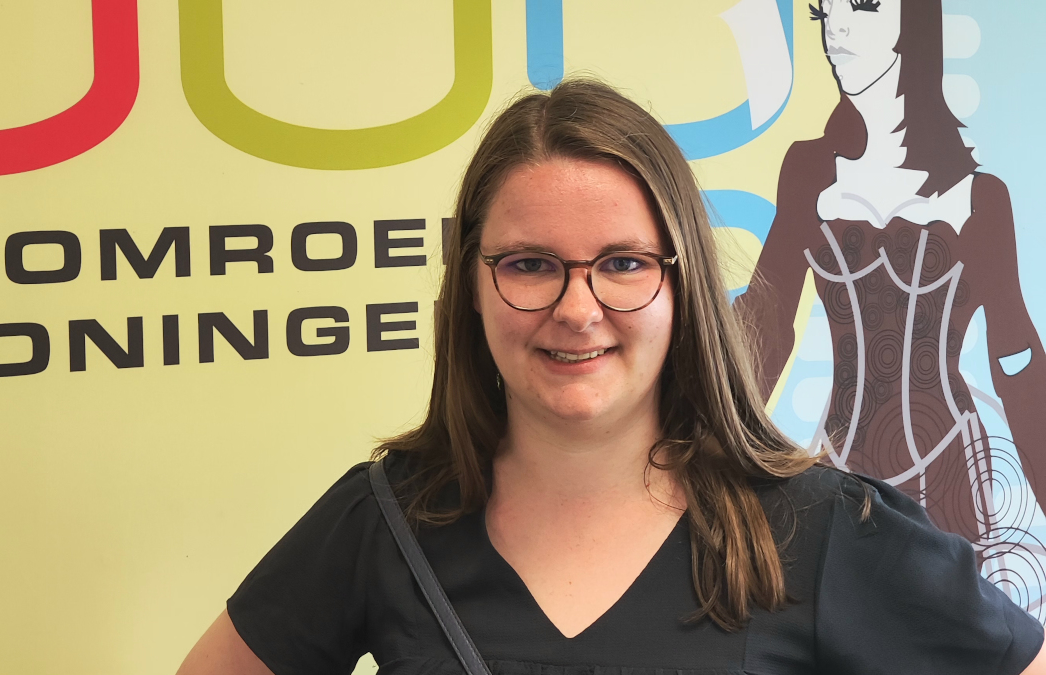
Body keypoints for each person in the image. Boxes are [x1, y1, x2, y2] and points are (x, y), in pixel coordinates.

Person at [177, 79, 1045, 674]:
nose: (577, 307)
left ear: (682, 286)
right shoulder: (387, 519)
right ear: (472, 285)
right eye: (529, 263)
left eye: (623, 263)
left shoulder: (819, 529)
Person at [735, 0, 1046, 603]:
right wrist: (696, 458)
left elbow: (1017, 361)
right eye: (823, 12)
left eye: (864, 5)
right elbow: (766, 326)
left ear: (915, 20)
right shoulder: (808, 169)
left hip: (948, 470)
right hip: (838, 472)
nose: (837, 29)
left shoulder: (978, 196)